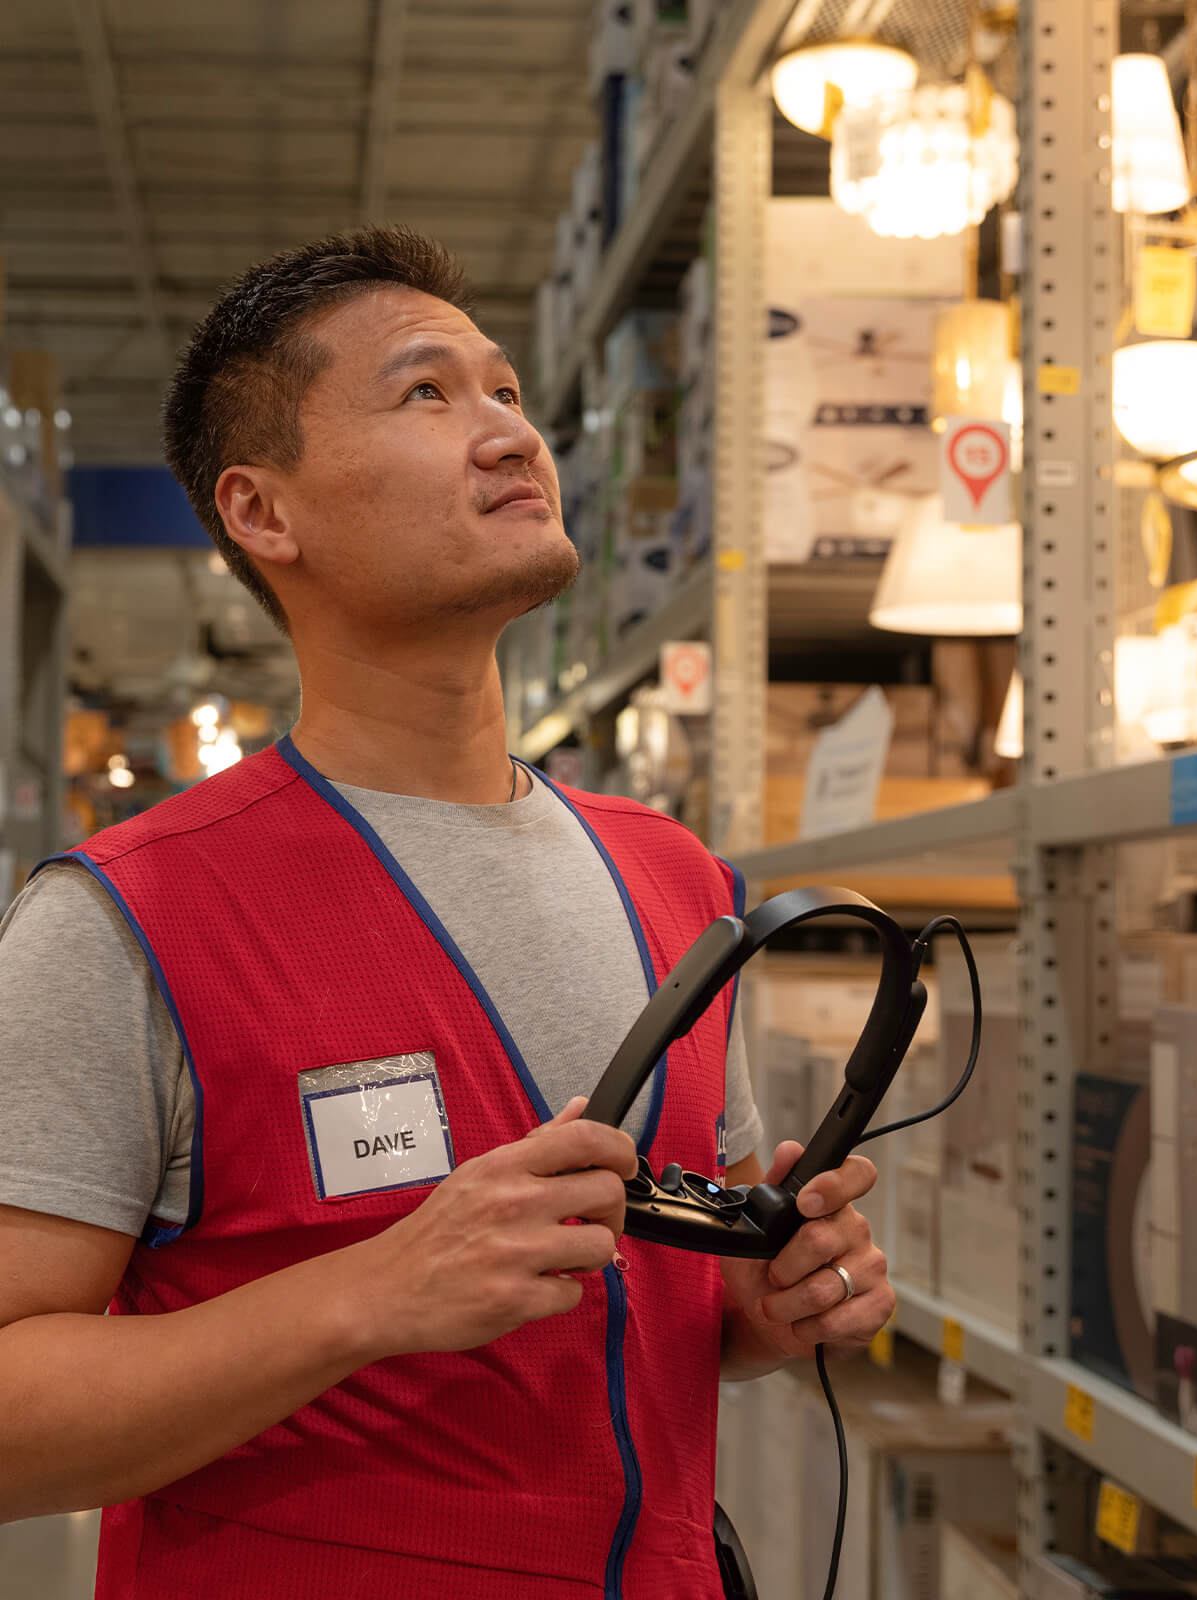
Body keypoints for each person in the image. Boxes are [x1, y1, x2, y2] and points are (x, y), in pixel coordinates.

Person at [0, 227, 894, 1599]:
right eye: (427, 394)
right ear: (263, 513)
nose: (507, 435)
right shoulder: (127, 919)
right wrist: (368, 1294)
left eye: (507, 392)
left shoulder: (677, 880)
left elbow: (644, 1304)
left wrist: (754, 1312)